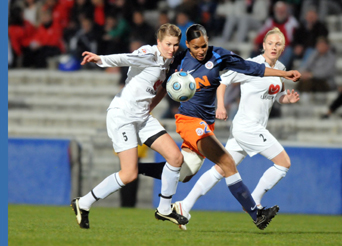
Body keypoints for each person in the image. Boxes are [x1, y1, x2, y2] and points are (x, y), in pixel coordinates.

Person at [138, 24, 301, 230]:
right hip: (198, 121)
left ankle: (179, 203)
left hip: (208, 124)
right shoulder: (179, 59)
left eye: (203, 46)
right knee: (268, 162)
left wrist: (285, 89)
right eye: (270, 43)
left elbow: (265, 83)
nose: (200, 50)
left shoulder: (221, 56)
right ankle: (255, 209)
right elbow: (167, 82)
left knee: (188, 172)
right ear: (187, 45)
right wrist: (148, 105)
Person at [70, 23, 188, 229]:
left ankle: (164, 209)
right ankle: (84, 202)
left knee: (176, 158)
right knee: (129, 173)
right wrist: (100, 59)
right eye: (168, 44)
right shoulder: (148, 54)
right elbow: (126, 58)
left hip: (142, 117)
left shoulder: (169, 61)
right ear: (158, 42)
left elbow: (161, 90)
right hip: (122, 115)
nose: (172, 48)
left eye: (175, 44)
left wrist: (150, 107)